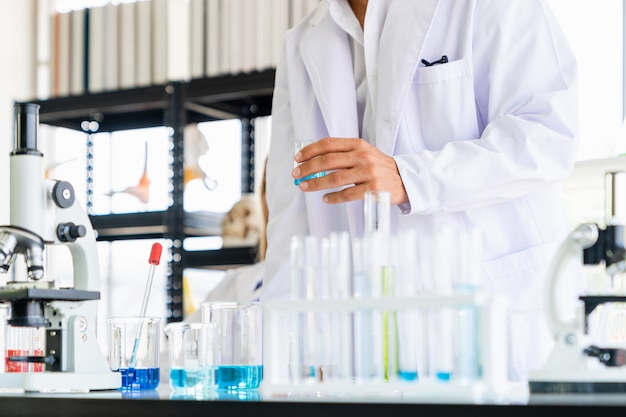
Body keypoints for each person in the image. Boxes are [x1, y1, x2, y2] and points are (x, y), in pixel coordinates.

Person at [263, 0, 580, 381]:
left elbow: (547, 137)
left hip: (498, 316)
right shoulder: (301, 44)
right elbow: (289, 222)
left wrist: (410, 177)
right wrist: (280, 358)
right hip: (365, 346)